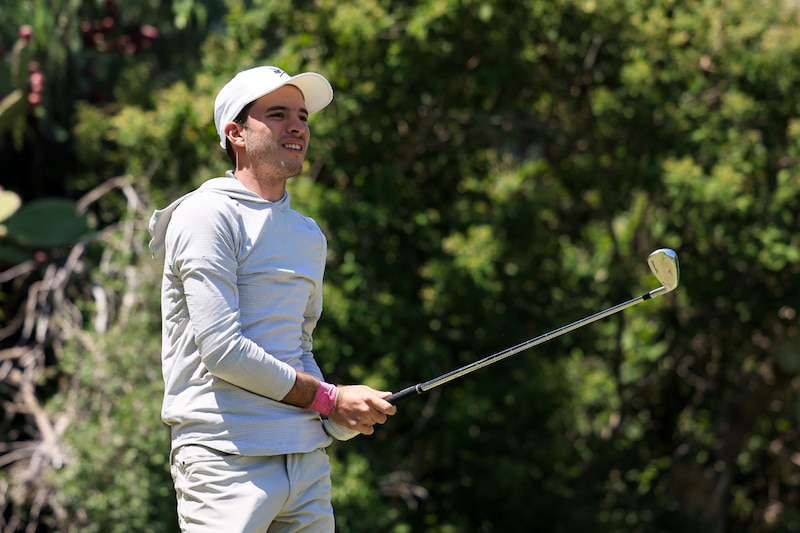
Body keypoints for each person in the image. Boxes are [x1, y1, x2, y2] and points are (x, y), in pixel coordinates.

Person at [148, 66, 397, 532]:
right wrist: (329, 398)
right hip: (225, 463)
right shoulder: (205, 215)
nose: (298, 126)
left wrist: (337, 417)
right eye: (278, 114)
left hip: (306, 464)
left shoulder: (308, 234)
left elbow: (299, 346)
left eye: (302, 116)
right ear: (236, 133)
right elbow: (223, 350)